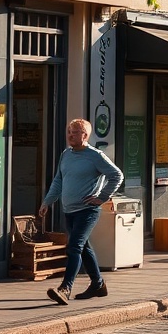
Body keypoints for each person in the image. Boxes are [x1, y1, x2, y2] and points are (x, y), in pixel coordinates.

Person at [39, 118, 124, 305]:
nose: (70, 135)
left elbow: (116, 175)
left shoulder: (95, 156)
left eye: (75, 132)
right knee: (84, 248)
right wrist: (47, 202)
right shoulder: (65, 155)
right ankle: (98, 284)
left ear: (85, 135)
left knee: (74, 247)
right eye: (69, 131)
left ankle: (65, 288)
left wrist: (101, 197)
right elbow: (58, 180)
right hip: (69, 210)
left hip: (88, 211)